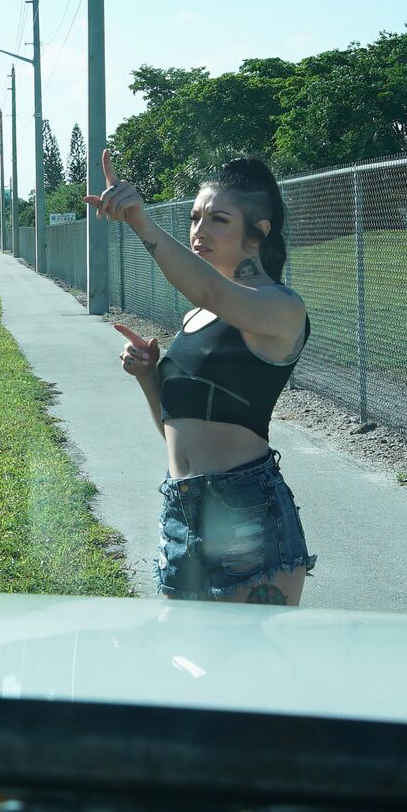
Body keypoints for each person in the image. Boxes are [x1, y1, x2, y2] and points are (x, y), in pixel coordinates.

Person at [86, 153, 314, 605]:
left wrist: (140, 222)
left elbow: (210, 288)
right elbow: (175, 430)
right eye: (194, 217)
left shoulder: (281, 307)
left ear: (258, 233)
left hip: (242, 504)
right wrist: (149, 377)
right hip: (180, 506)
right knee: (186, 662)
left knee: (249, 668)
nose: (199, 230)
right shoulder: (197, 316)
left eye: (218, 219)